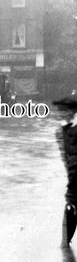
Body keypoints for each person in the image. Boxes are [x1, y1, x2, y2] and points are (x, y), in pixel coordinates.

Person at [55, 92, 77, 247]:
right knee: (70, 209)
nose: (60, 114)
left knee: (70, 208)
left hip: (75, 180)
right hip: (74, 179)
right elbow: (67, 159)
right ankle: (65, 248)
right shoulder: (60, 132)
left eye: (64, 110)